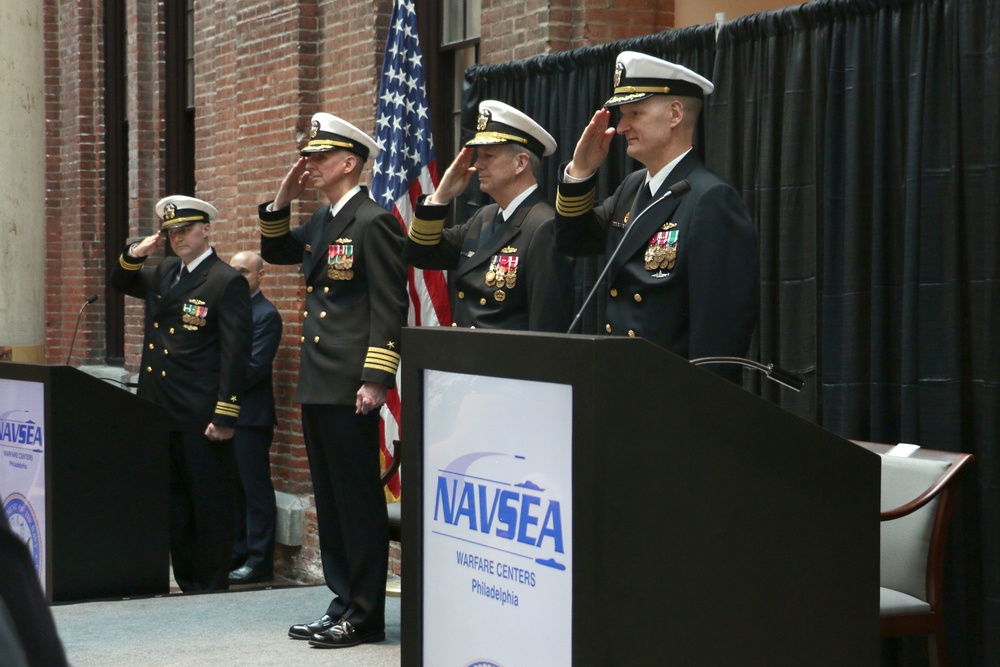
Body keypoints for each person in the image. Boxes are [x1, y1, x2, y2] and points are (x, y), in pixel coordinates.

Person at [258, 112, 408, 649]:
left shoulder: (374, 221)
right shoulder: (324, 221)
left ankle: (365, 613)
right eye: (311, 157)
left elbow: (390, 306)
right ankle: (342, 601)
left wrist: (376, 378)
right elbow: (276, 250)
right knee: (331, 498)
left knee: (357, 502)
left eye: (321, 157)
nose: (311, 165)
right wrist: (281, 197)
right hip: (318, 381)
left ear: (351, 162)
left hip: (352, 385)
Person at [555, 51, 758, 382]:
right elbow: (573, 241)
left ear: (675, 113)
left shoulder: (710, 199)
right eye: (622, 115)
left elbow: (719, 339)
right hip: (620, 386)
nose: (621, 128)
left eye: (635, 113)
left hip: (667, 399)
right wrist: (581, 171)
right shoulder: (633, 188)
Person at [110, 195, 252, 592]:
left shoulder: (226, 280)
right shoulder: (166, 272)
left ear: (206, 229)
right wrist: (138, 251)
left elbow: (235, 355)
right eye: (171, 231)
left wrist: (225, 416)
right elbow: (120, 280)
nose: (178, 238)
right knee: (174, 505)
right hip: (161, 408)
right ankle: (187, 582)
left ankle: (209, 586)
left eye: (186, 229)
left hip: (200, 413)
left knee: (206, 505)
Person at [403, 100, 574, 331]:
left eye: (488, 156)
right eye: (478, 155)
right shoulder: (484, 218)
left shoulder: (544, 225)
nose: (478, 165)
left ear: (520, 163)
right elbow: (420, 254)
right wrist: (441, 197)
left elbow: (546, 325)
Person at [227, 251, 283, 585]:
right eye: (233, 271)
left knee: (254, 490)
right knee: (232, 489)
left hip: (250, 417)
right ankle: (237, 552)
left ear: (260, 276)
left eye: (244, 272)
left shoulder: (266, 315)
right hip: (224, 414)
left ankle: (260, 560)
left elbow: (254, 369)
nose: (238, 277)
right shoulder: (227, 308)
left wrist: (211, 376)